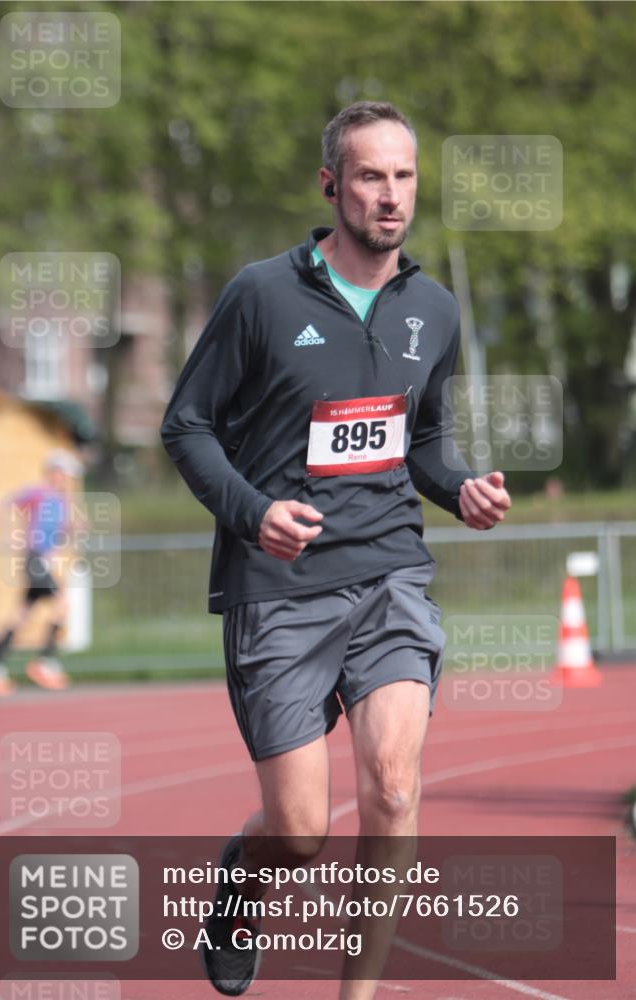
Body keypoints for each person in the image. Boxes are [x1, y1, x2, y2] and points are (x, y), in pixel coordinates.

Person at [161, 101, 511, 998]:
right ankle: (243, 881)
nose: (388, 196)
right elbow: (187, 425)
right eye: (369, 176)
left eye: (402, 177)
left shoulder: (431, 307)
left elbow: (420, 439)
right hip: (278, 587)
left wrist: (460, 484)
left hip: (389, 573)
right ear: (331, 185)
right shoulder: (260, 295)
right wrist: (251, 513)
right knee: (303, 831)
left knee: (393, 789)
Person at [0, 449, 83, 696]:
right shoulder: (38, 492)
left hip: (45, 561)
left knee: (21, 613)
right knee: (62, 604)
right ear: (54, 472)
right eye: (64, 474)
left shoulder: (61, 501)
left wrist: (74, 528)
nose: (67, 479)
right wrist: (11, 536)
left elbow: (58, 533)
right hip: (35, 559)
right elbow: (3, 505)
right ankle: (43, 662)